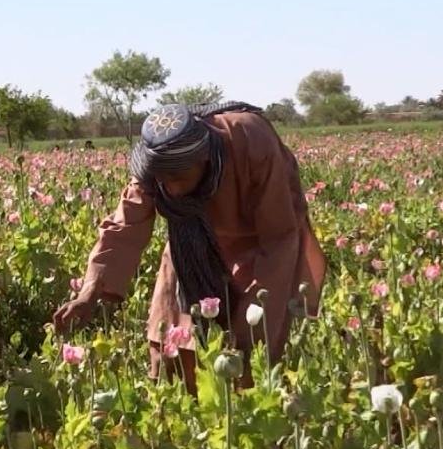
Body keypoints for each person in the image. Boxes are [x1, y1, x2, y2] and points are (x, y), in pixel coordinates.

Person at [54, 102, 326, 393]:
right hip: (189, 243)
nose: (170, 190)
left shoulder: (250, 139)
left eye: (179, 178)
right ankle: (179, 407)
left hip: (263, 237)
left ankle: (248, 409)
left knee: (254, 340)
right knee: (171, 331)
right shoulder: (154, 168)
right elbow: (123, 227)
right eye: (163, 181)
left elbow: (279, 237)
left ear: (206, 159)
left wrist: (253, 322)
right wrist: (89, 291)